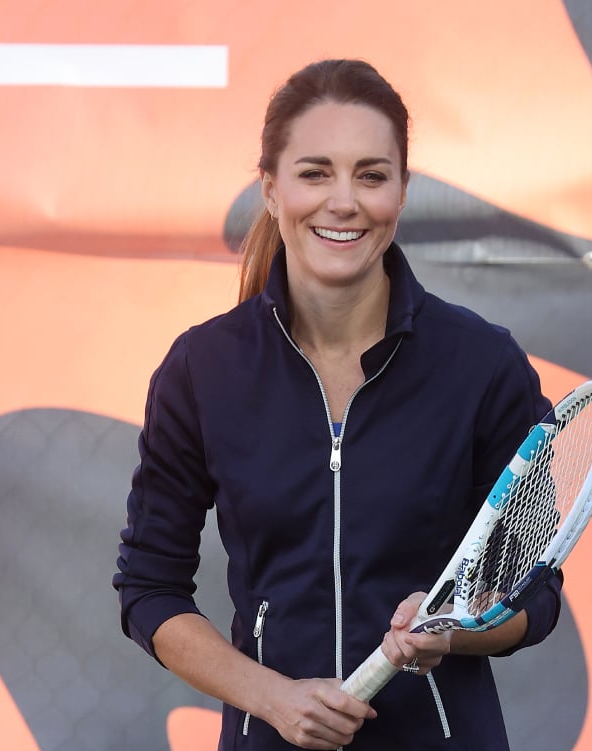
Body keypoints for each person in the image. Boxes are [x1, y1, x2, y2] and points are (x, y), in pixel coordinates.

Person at [114, 58, 563, 750]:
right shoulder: (202, 371)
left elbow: (536, 595)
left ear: (403, 192)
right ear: (270, 188)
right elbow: (149, 588)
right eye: (315, 172)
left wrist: (456, 627)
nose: (344, 200)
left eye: (372, 175)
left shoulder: (482, 365)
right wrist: (273, 698)